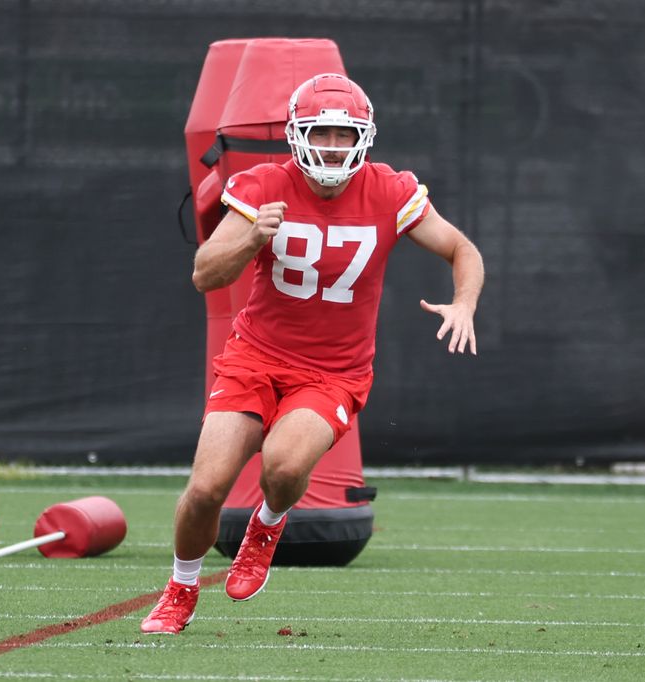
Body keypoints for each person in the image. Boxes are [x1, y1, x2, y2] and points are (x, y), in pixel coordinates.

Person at [141, 73, 484, 634]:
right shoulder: (263, 185)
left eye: (343, 135)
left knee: (283, 466)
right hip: (254, 358)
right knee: (205, 489)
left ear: (363, 139)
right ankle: (180, 587)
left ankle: (267, 524)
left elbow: (460, 248)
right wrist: (252, 239)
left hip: (332, 372)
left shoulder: (390, 189)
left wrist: (464, 303)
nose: (331, 146)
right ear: (297, 135)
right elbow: (205, 274)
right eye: (320, 132)